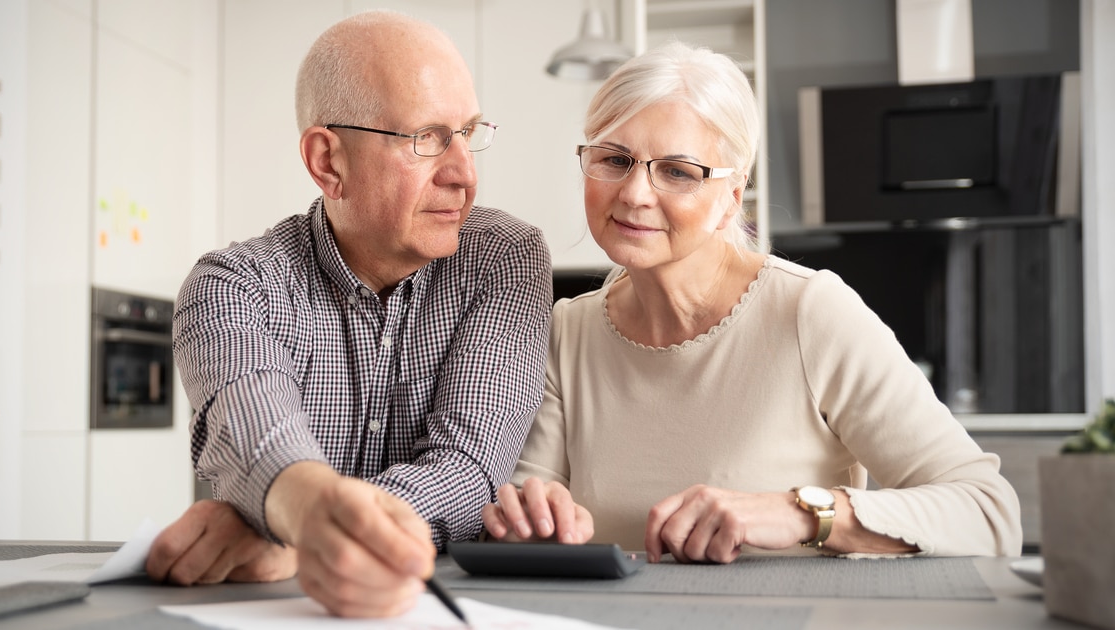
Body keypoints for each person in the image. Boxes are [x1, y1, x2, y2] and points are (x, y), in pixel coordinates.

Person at [481, 41, 1022, 562]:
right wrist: (526, 519)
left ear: (731, 197)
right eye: (615, 159)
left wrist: (802, 514)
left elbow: (989, 512)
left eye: (677, 171)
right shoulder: (566, 331)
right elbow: (530, 512)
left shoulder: (811, 313)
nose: (635, 193)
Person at [145, 10, 553, 618]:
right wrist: (303, 512)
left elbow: (470, 470)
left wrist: (289, 531)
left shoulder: (503, 258)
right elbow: (257, 430)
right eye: (428, 138)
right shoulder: (231, 286)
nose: (465, 174)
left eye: (469, 132)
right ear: (328, 162)